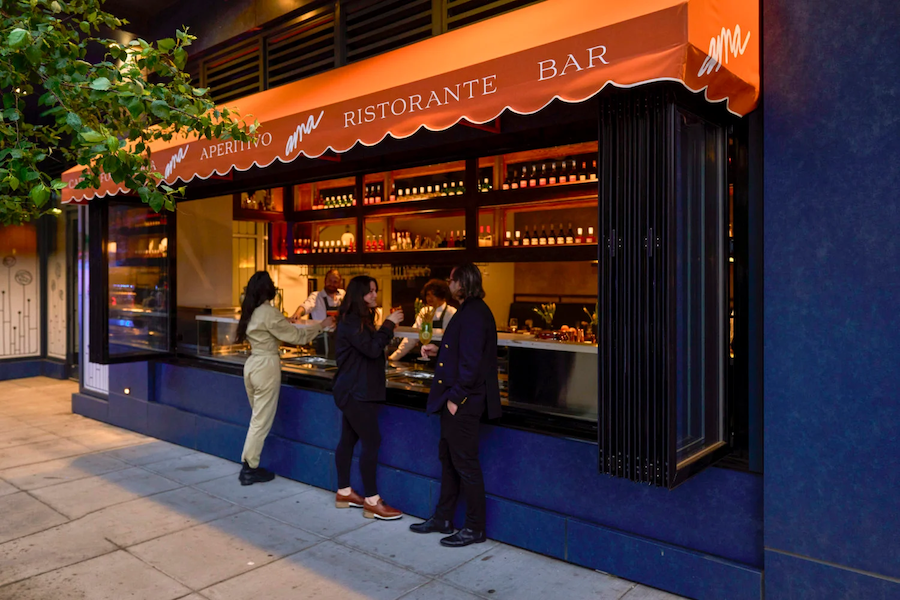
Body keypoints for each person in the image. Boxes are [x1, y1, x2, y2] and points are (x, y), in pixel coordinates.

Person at [411, 263, 501, 546]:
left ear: (462, 283)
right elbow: (462, 353)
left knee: (465, 465)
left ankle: (475, 528)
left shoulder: (474, 313)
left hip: (462, 402)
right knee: (449, 461)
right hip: (458, 399)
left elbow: (472, 364)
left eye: (451, 279)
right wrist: (438, 352)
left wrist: (455, 398)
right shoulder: (469, 311)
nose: (448, 284)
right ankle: (443, 517)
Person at [236, 271, 332, 486]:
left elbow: (277, 328)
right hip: (266, 367)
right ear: (269, 290)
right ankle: (249, 469)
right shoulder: (268, 312)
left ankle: (249, 464)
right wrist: (321, 325)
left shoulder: (251, 311)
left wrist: (284, 323)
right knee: (260, 422)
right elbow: (296, 337)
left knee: (257, 419)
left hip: (252, 365)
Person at [333, 275, 405, 519]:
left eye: (376, 290)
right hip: (355, 391)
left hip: (354, 389)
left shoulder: (357, 320)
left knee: (348, 439)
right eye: (369, 292)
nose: (375, 295)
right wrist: (389, 324)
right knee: (371, 441)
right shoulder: (352, 321)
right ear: (358, 295)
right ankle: (372, 501)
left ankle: (344, 491)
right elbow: (373, 349)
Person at [388, 279, 457, 362]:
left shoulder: (452, 313)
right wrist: (394, 357)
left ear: (442, 295)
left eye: (434, 294)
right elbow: (411, 338)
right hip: (425, 357)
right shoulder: (424, 312)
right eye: (428, 294)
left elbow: (453, 341)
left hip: (445, 359)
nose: (429, 298)